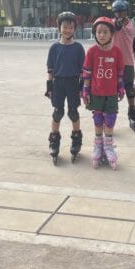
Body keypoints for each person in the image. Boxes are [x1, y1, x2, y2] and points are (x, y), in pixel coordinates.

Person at [82, 17, 124, 169]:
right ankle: (98, 144)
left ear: (112, 34)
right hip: (96, 92)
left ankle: (108, 145)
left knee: (111, 118)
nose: (101, 35)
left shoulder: (117, 51)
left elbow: (120, 72)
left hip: (111, 92)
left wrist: (121, 86)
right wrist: (85, 90)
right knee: (98, 117)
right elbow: (87, 73)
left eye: (105, 32)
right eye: (99, 32)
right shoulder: (92, 51)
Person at [45, 12, 85, 165]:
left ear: (74, 29)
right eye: (65, 27)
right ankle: (54, 139)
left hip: (73, 82)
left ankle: (76, 138)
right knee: (58, 112)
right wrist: (49, 87)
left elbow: (83, 71)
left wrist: (82, 87)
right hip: (58, 83)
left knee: (73, 112)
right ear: (59, 28)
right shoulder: (54, 47)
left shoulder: (78, 48)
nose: (68, 30)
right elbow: (50, 69)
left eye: (71, 27)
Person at [111, 0, 135, 132]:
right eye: (117, 12)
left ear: (126, 11)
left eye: (122, 11)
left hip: (128, 61)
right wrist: (118, 21)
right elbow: (116, 26)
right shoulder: (112, 23)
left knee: (129, 89)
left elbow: (133, 42)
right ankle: (109, 114)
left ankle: (132, 113)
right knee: (111, 89)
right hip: (112, 61)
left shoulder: (132, 24)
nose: (119, 14)